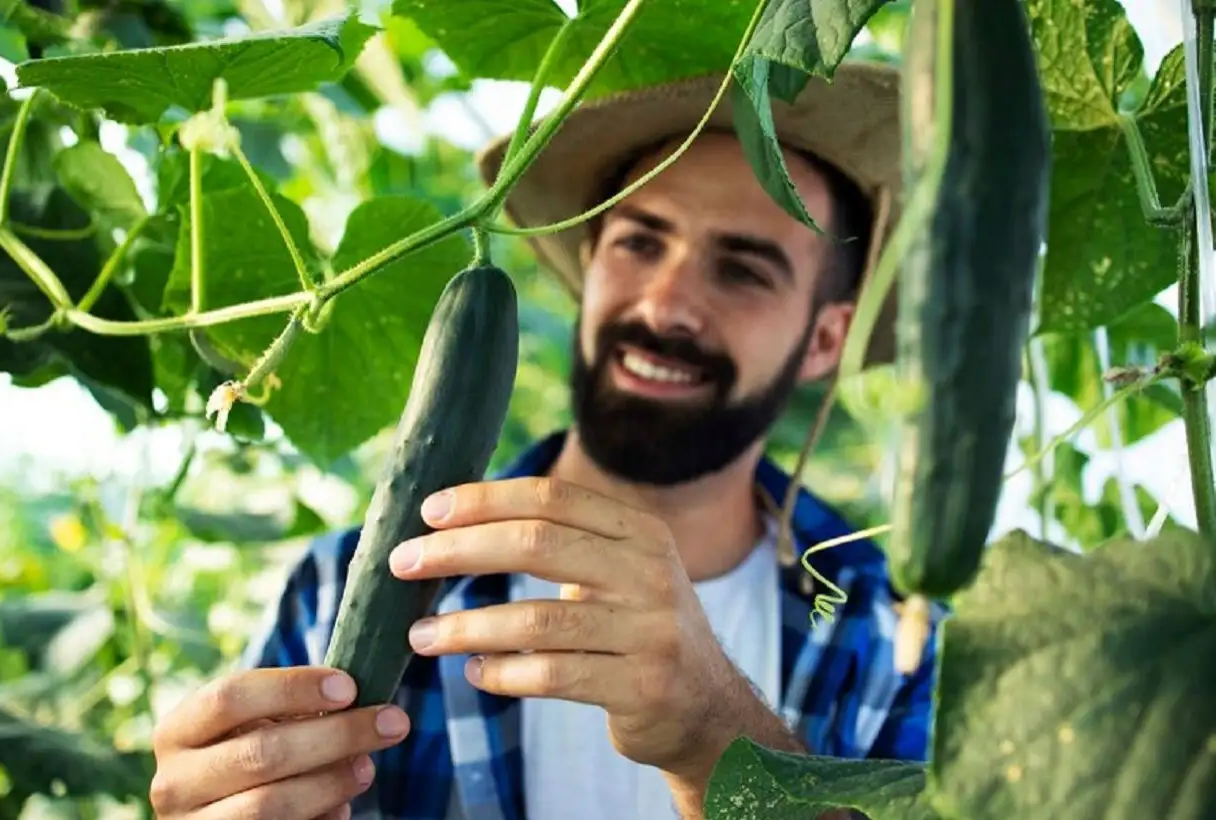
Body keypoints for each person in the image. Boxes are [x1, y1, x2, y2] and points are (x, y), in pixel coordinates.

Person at [147, 59, 947, 820]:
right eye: (639, 242)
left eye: (742, 270)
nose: (666, 304)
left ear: (825, 341)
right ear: (591, 259)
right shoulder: (334, 590)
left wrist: (718, 739)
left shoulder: (901, 640)